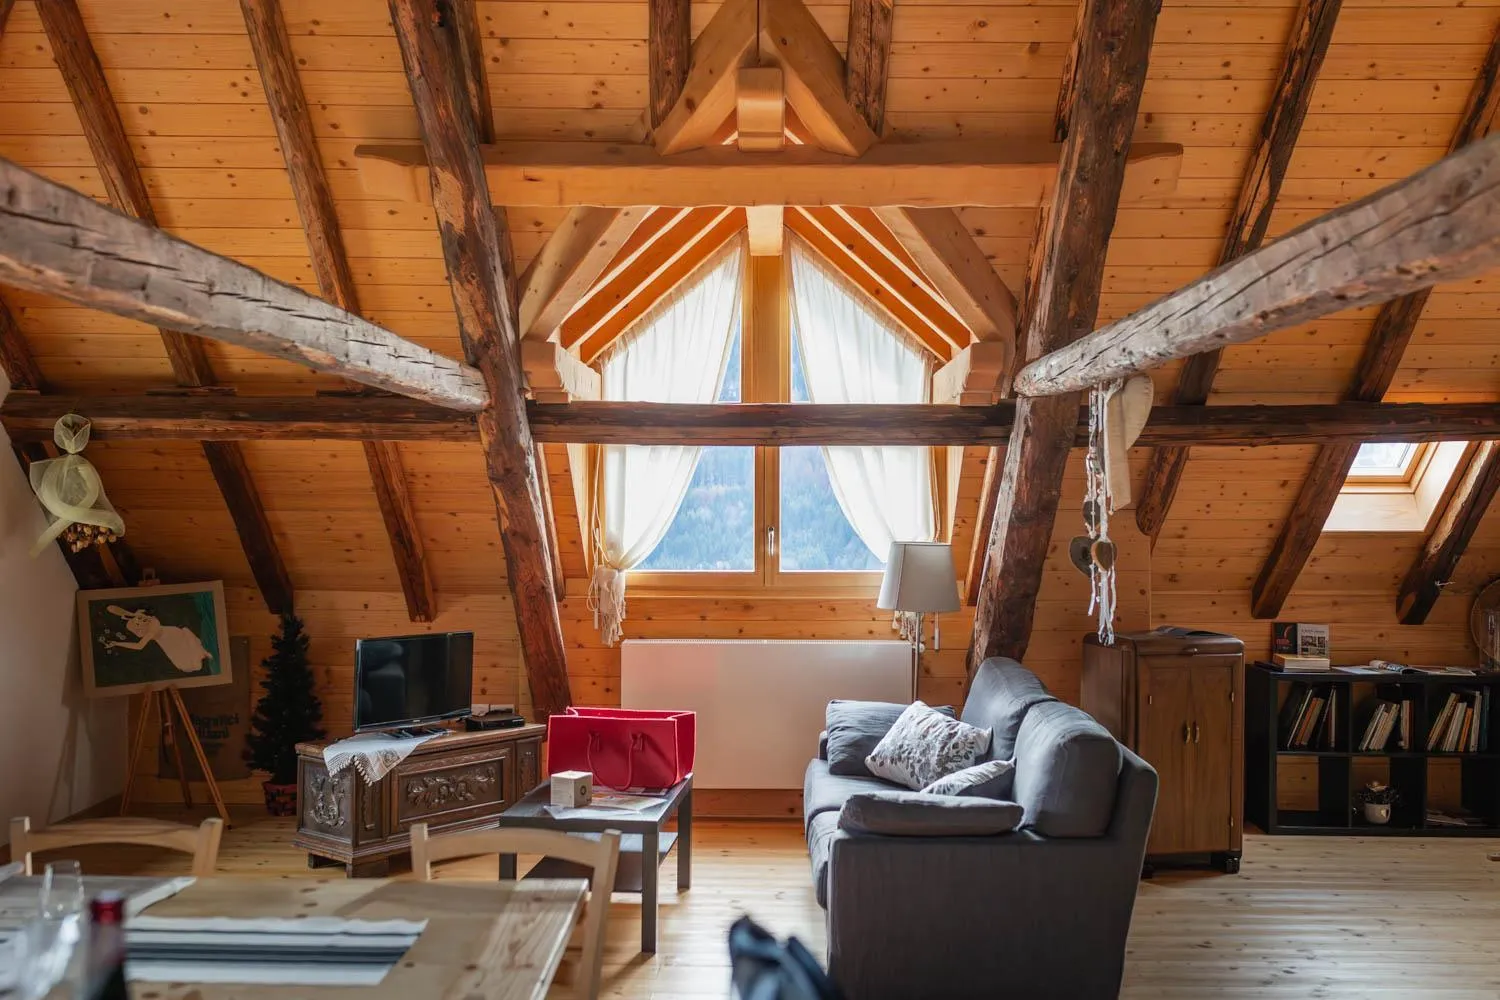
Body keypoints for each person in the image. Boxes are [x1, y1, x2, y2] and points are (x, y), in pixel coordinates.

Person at [101, 605, 212, 674]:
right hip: (165, 642)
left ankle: (203, 653)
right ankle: (201, 655)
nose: (141, 621)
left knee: (189, 648)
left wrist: (117, 643)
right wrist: (134, 616)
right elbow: (111, 608)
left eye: (145, 619)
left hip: (172, 636)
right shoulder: (133, 622)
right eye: (140, 619)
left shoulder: (153, 624)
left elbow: (139, 646)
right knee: (183, 658)